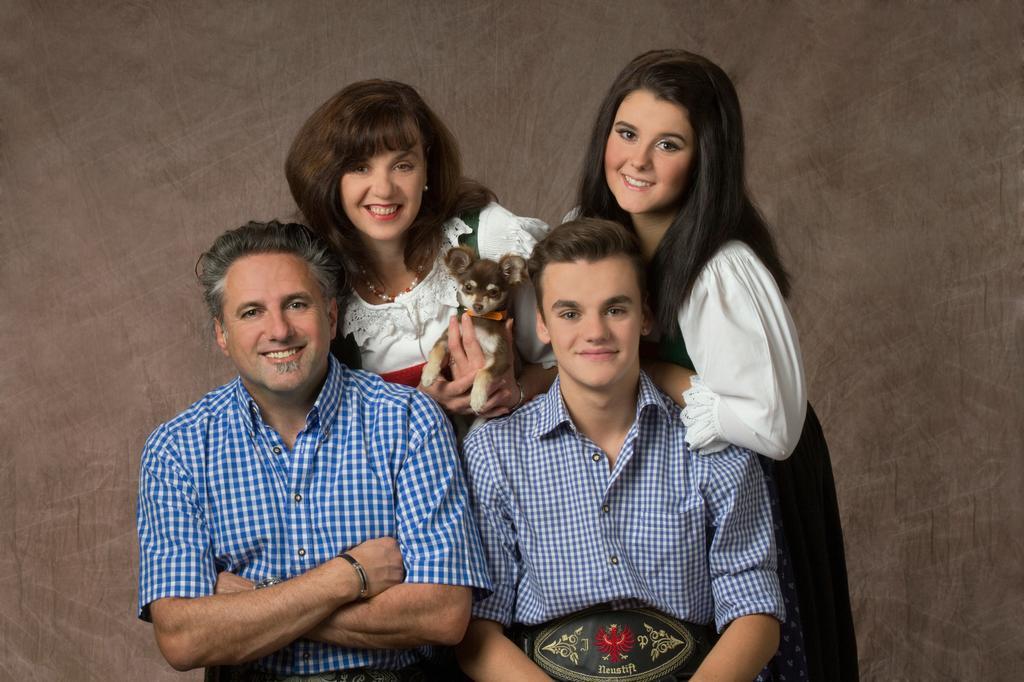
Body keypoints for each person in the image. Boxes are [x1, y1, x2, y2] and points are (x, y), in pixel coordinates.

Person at [573, 49, 858, 680]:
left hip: (752, 482)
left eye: (668, 144)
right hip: (665, 481)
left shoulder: (721, 269)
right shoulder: (588, 233)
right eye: (626, 134)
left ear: (705, 158)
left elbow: (773, 429)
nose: (637, 161)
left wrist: (655, 372)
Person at [136, 221, 490, 679]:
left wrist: (254, 605)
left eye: (296, 304)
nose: (279, 330)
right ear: (222, 333)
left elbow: (443, 614)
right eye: (251, 313)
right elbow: (183, 640)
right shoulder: (176, 449)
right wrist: (349, 576)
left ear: (331, 315)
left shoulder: (408, 420)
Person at [456, 218, 786, 682]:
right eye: (570, 313)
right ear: (543, 324)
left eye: (615, 309)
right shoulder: (494, 451)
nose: (595, 332)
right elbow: (476, 634)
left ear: (645, 315)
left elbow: (755, 610)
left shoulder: (712, 443)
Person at [286, 79, 555, 418]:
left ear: (426, 167)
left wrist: (514, 392)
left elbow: (566, 362)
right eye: (359, 167)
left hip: (507, 463)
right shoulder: (319, 282)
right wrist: (419, 406)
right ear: (330, 177)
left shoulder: (489, 237)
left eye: (403, 165)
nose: (383, 189)